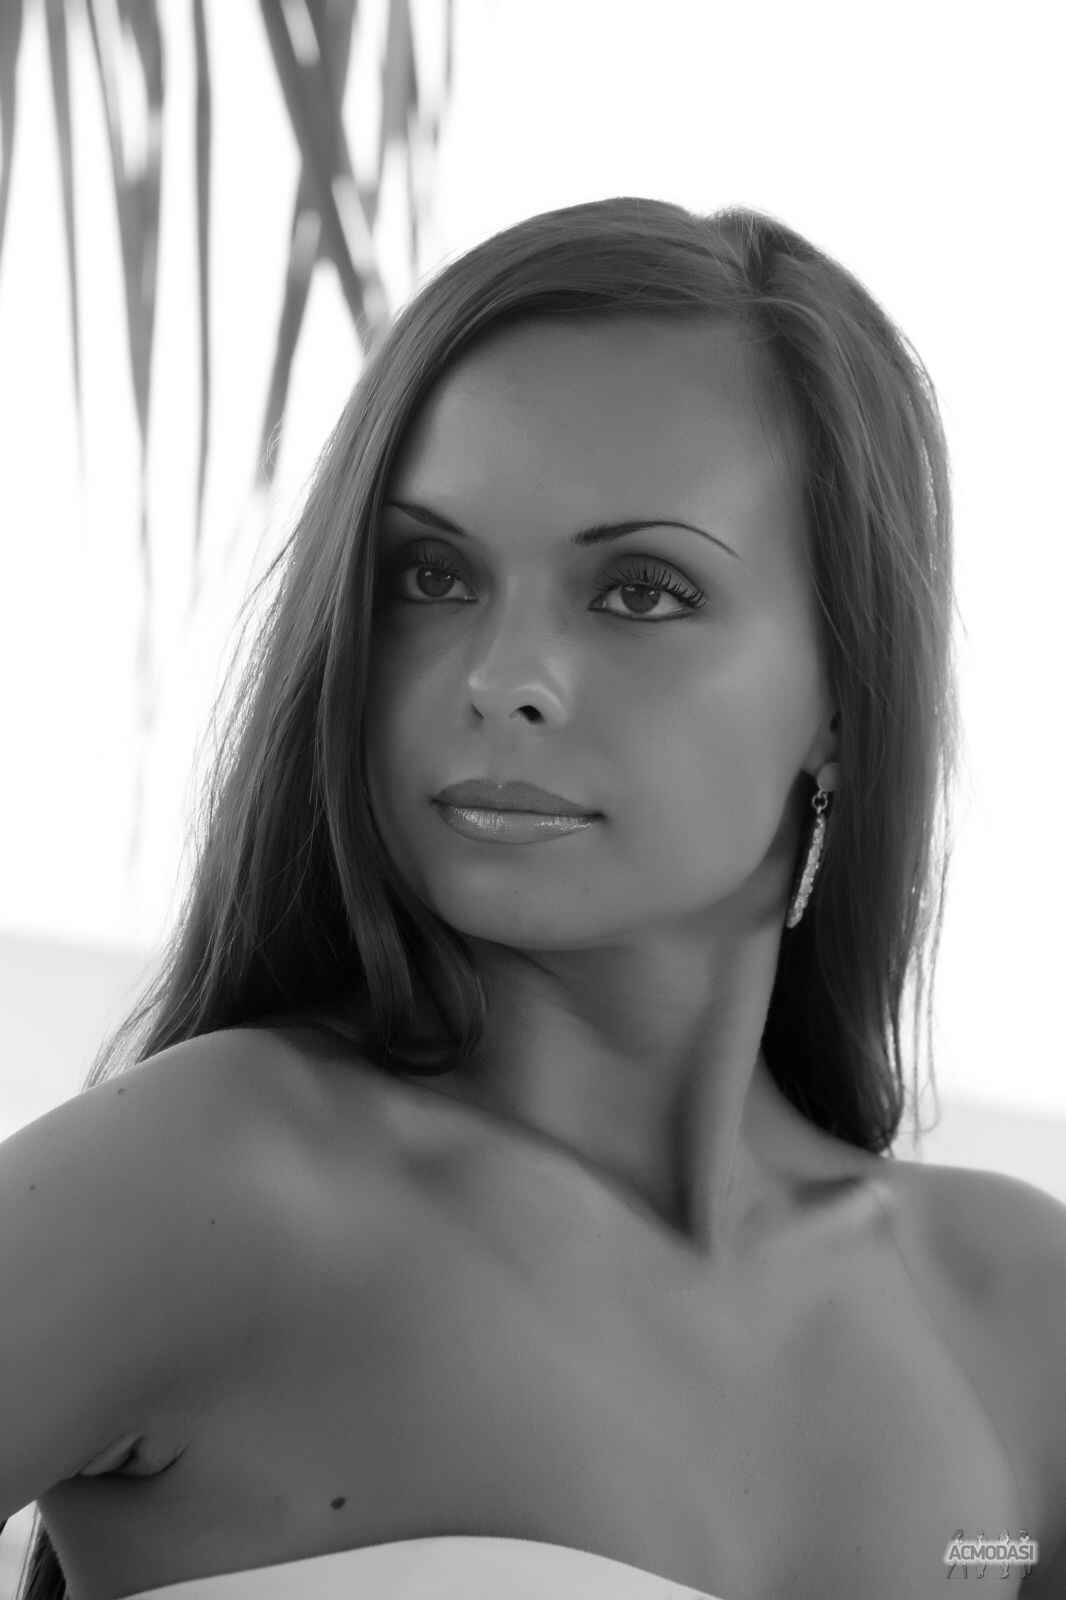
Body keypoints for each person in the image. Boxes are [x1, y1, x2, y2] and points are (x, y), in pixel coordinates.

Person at [3, 198, 1062, 1600]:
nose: (504, 678)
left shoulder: (1016, 1313)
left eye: (640, 592)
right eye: (431, 575)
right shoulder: (206, 1188)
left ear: (843, 701)